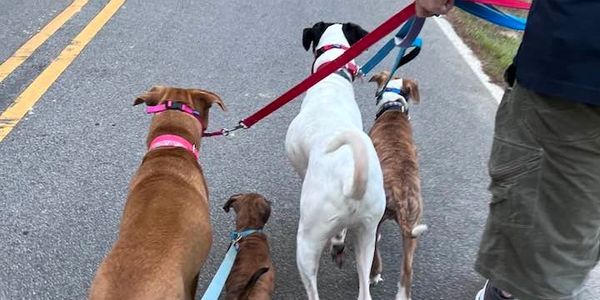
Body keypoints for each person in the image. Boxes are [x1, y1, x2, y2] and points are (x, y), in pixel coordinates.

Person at [414, 0, 600, 299]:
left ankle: (512, 286)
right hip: (575, 81)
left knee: (543, 272)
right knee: (577, 239)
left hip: (571, 82)